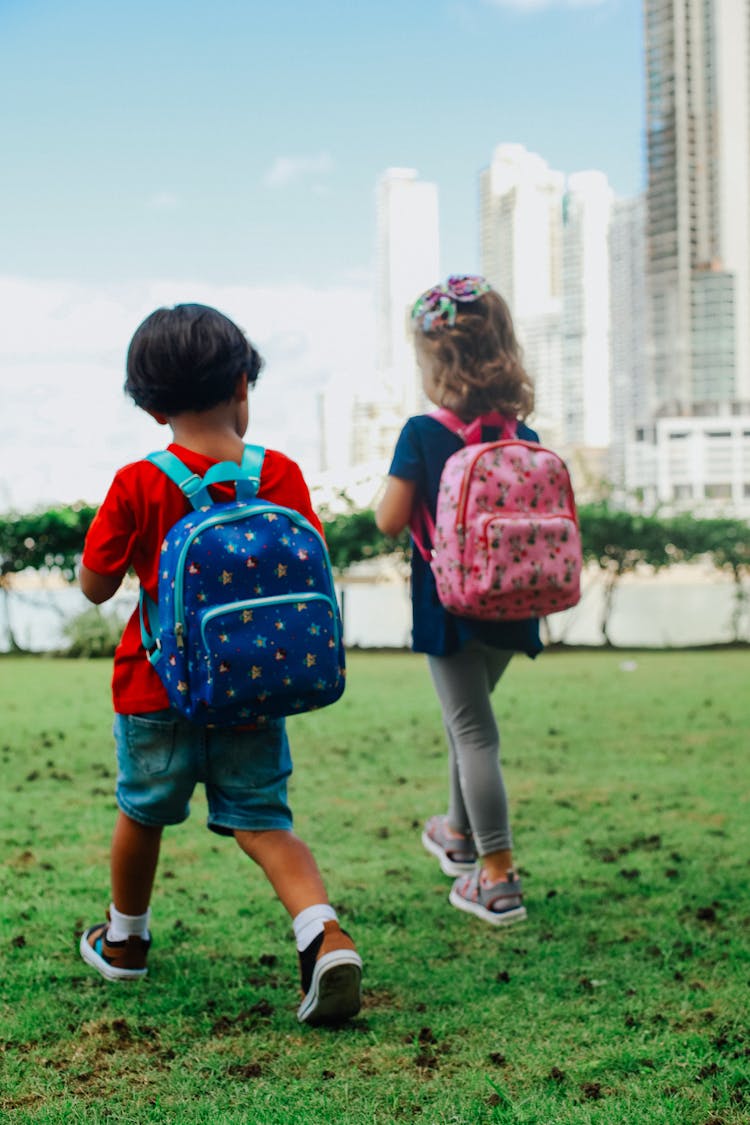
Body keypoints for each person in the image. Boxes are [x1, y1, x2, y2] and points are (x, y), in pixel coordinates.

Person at [78, 303, 362, 1025]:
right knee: (265, 822)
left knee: (142, 812)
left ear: (150, 407)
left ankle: (126, 941)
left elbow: (96, 585)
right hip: (255, 689)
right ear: (244, 385)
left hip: (153, 688)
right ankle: (323, 933)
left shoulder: (138, 482)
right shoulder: (283, 475)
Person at [376, 275, 542, 927]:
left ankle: (496, 877)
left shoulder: (423, 433)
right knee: (466, 721)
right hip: (517, 603)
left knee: (473, 732)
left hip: (450, 605)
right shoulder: (521, 433)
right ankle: (457, 834)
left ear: (435, 363)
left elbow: (390, 519)